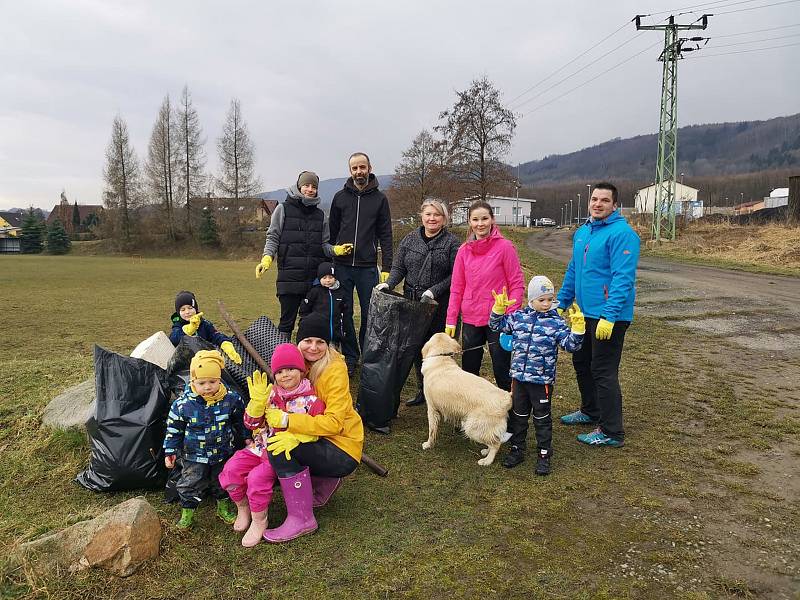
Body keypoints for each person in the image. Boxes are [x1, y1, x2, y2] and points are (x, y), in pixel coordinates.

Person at [255, 312, 364, 543]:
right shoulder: (295, 364)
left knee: (277, 449)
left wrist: (288, 422)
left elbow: (334, 423)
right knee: (278, 442)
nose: (313, 347)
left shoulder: (335, 371)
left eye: (320, 342)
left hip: (342, 445)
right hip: (317, 436)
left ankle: (302, 519)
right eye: (307, 341)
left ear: (328, 344)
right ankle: (324, 481)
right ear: (298, 341)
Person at [557, 182, 640, 447]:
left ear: (615, 205)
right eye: (594, 199)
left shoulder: (622, 234)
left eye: (605, 200)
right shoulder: (583, 232)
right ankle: (590, 410)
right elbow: (574, 270)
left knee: (603, 371)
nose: (598, 204)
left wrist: (610, 315)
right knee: (581, 363)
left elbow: (622, 278)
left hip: (608, 316)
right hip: (583, 314)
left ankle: (611, 431)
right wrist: (562, 301)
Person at [218, 343, 324, 547]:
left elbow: (319, 428)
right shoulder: (269, 395)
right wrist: (257, 404)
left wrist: (300, 437)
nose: (285, 375)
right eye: (280, 371)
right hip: (259, 446)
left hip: (279, 453)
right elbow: (251, 424)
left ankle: (260, 521)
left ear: (301, 370)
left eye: (291, 369)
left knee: (257, 480)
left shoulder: (311, 400)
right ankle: (243, 507)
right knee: (231, 471)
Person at [488, 276, 585, 475]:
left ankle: (543, 454)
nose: (547, 304)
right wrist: (498, 310)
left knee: (542, 418)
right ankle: (517, 449)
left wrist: (578, 330)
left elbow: (571, 345)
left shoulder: (556, 323)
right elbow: (495, 326)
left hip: (541, 382)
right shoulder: (518, 317)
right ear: (531, 300)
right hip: (519, 379)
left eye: (550, 299)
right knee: (519, 416)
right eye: (542, 300)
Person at [376, 198, 459, 406]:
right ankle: (423, 391)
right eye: (428, 214)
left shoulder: (452, 243)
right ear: (421, 216)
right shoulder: (409, 240)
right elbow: (399, 268)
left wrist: (434, 290)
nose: (432, 218)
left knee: (439, 351)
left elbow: (455, 275)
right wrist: (389, 284)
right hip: (413, 302)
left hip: (439, 305)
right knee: (415, 348)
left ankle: (443, 394)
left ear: (444, 219)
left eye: (437, 215)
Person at [445, 200, 525, 391]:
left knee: (501, 367)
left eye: (484, 219)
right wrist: (451, 320)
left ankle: (510, 412)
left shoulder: (505, 247)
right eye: (475, 219)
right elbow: (457, 287)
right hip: (471, 317)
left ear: (492, 220)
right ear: (469, 222)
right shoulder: (463, 251)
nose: (480, 224)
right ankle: (471, 408)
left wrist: (510, 314)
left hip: (499, 318)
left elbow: (517, 284)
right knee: (469, 369)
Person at [255, 171, 345, 338]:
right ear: (298, 186)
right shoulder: (283, 209)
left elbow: (324, 245)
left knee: (311, 322)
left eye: (314, 187)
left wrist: (335, 250)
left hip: (313, 280)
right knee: (286, 323)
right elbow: (273, 235)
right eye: (306, 185)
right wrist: (267, 257)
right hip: (289, 277)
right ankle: (283, 358)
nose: (310, 189)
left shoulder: (320, 216)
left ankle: (309, 358)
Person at [163, 350, 247, 528]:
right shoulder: (183, 405)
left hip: (222, 452)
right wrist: (170, 451)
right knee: (190, 482)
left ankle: (223, 507)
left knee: (223, 480)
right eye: (202, 383)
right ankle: (187, 513)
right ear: (193, 381)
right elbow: (174, 429)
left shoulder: (231, 399)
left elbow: (240, 420)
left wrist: (247, 437)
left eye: (212, 381)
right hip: (194, 455)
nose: (208, 387)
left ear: (219, 380)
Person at [329, 152, 393, 375]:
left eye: (362, 167)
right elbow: (332, 233)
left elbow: (386, 234)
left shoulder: (380, 199)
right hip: (342, 266)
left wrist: (386, 267)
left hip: (367, 268)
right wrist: (332, 256)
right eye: (355, 168)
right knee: (344, 313)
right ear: (350, 171)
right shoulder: (339, 198)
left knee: (370, 314)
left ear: (369, 168)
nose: (359, 171)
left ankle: (368, 356)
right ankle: (351, 357)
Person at [169, 290, 242, 364]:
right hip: (187, 364)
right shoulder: (177, 326)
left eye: (190, 308)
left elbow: (215, 335)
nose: (187, 312)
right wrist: (189, 330)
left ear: (196, 309)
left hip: (207, 360)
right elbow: (174, 339)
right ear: (178, 312)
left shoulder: (204, 323)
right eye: (183, 310)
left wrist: (225, 343)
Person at [298, 262, 347, 348]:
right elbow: (304, 309)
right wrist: (307, 321)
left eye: (331, 277)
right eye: (324, 278)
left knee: (333, 355)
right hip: (319, 333)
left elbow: (344, 309)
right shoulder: (315, 292)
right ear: (319, 278)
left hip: (335, 333)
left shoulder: (340, 292)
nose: (328, 280)